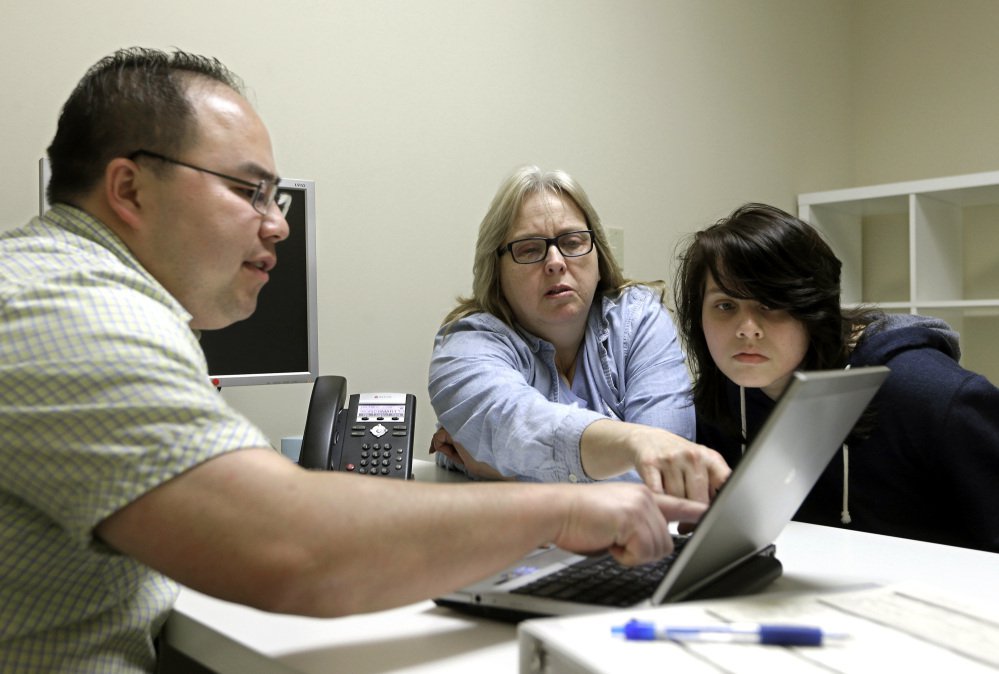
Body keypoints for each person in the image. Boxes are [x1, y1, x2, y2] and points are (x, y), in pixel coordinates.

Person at [0, 48, 708, 672]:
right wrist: (557, 512)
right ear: (128, 189)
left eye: (276, 196)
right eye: (249, 191)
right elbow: (290, 546)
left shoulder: (87, 298)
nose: (278, 223)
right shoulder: (70, 313)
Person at [672, 202, 999, 552]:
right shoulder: (718, 401)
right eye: (725, 306)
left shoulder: (929, 393)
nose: (746, 330)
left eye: (771, 305)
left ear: (815, 309)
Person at [428, 166, 730, 501]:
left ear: (598, 255)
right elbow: (512, 422)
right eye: (529, 249)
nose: (555, 262)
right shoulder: (465, 344)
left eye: (572, 242)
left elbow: (663, 479)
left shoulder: (638, 319)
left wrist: (505, 472)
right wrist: (634, 446)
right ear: (496, 270)